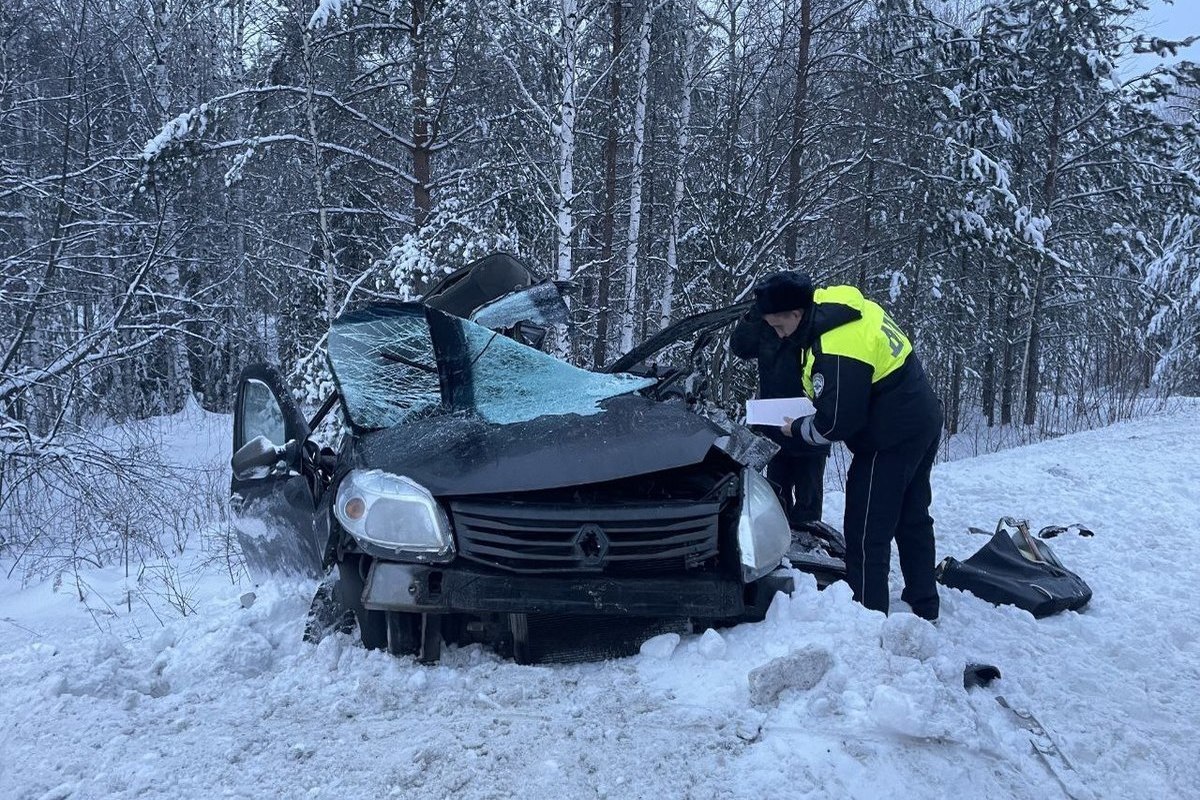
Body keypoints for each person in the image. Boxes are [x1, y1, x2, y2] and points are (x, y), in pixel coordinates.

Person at [752, 271, 943, 620]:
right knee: (912, 515)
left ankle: (868, 617)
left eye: (779, 327)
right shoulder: (835, 307)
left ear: (797, 313)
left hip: (890, 436)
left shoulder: (836, 345)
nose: (778, 335)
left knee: (867, 527)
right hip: (921, 417)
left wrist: (798, 427)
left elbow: (839, 422)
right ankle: (924, 602)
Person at [730, 309, 830, 526]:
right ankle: (779, 553)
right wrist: (753, 315)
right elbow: (740, 347)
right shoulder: (765, 326)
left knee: (808, 508)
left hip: (810, 430)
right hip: (776, 431)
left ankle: (807, 552)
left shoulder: (815, 323)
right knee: (776, 500)